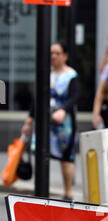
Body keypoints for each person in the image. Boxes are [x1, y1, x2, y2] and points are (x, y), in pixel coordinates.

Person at [22, 42, 80, 201]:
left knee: (66, 158)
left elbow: (74, 96)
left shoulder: (71, 75)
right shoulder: (45, 73)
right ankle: (42, 191)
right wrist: (29, 120)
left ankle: (68, 193)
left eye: (57, 53)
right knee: (42, 155)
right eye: (51, 53)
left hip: (64, 124)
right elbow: (38, 98)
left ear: (65, 56)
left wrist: (63, 110)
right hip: (45, 122)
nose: (53, 56)